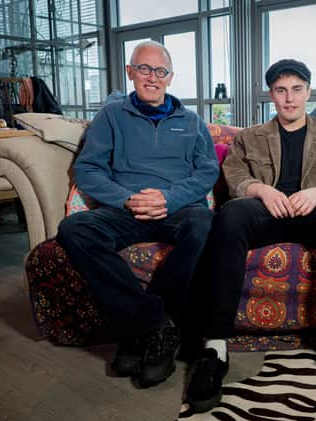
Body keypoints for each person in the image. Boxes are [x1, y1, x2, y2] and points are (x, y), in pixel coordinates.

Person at [185, 59, 316, 412]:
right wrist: (261, 190)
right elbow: (236, 178)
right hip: (267, 212)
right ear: (271, 94)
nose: (289, 99)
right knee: (230, 214)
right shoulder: (249, 137)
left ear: (309, 92)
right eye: (281, 90)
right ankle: (215, 347)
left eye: (297, 90)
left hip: (314, 211)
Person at [56, 40, 219, 388]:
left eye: (160, 71)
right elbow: (88, 170)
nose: (152, 77)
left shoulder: (191, 121)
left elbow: (206, 172)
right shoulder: (111, 116)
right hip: (124, 211)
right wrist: (127, 200)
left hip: (177, 210)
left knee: (204, 223)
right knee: (74, 229)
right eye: (144, 69)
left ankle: (138, 333)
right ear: (131, 72)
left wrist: (170, 198)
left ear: (170, 78)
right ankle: (153, 324)